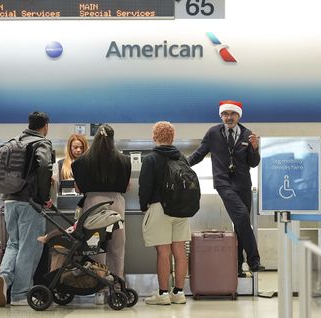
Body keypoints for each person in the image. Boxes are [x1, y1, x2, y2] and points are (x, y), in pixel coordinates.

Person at [188, 100, 264, 275]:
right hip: (224, 183)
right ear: (221, 115)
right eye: (225, 114)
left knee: (240, 224)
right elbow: (199, 154)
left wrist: (254, 148)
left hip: (244, 183)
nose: (229, 117)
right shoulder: (213, 132)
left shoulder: (247, 134)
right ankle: (254, 261)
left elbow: (253, 163)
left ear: (238, 116)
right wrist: (181, 165)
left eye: (232, 114)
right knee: (242, 215)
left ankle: (237, 267)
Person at [0, 111, 54, 307]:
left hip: (9, 200)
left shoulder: (15, 142)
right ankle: (20, 293)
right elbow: (44, 166)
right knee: (29, 247)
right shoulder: (41, 142)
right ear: (45, 126)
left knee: (14, 244)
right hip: (29, 201)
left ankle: (4, 277)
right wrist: (44, 197)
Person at [71, 124, 131, 304]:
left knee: (95, 244)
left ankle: (99, 289)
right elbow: (127, 187)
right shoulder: (124, 160)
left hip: (92, 204)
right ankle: (117, 287)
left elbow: (78, 188)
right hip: (116, 204)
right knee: (117, 246)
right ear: (113, 139)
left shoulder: (80, 162)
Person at [139, 121, 190, 305]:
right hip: (182, 209)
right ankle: (179, 292)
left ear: (154, 137)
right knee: (180, 251)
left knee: (163, 252)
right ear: (172, 137)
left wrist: (143, 205)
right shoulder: (182, 158)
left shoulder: (150, 158)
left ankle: (162, 294)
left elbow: (144, 186)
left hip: (160, 208)